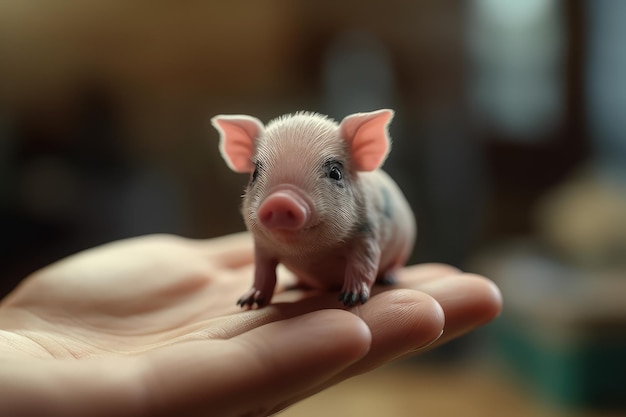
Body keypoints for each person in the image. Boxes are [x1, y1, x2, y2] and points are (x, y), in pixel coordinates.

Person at [0, 232, 502, 417]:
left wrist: (361, 277)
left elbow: (368, 242)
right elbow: (266, 252)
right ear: (240, 152)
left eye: (328, 173)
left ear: (361, 158)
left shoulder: (369, 207)